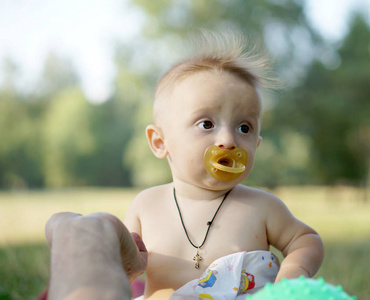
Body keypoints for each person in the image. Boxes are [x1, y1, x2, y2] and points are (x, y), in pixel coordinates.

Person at [123, 31, 324, 299]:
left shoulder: (262, 207)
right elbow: (118, 264)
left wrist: (293, 272)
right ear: (160, 142)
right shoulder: (145, 206)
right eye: (206, 124)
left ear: (257, 144)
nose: (228, 140)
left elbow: (305, 240)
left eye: (244, 127)